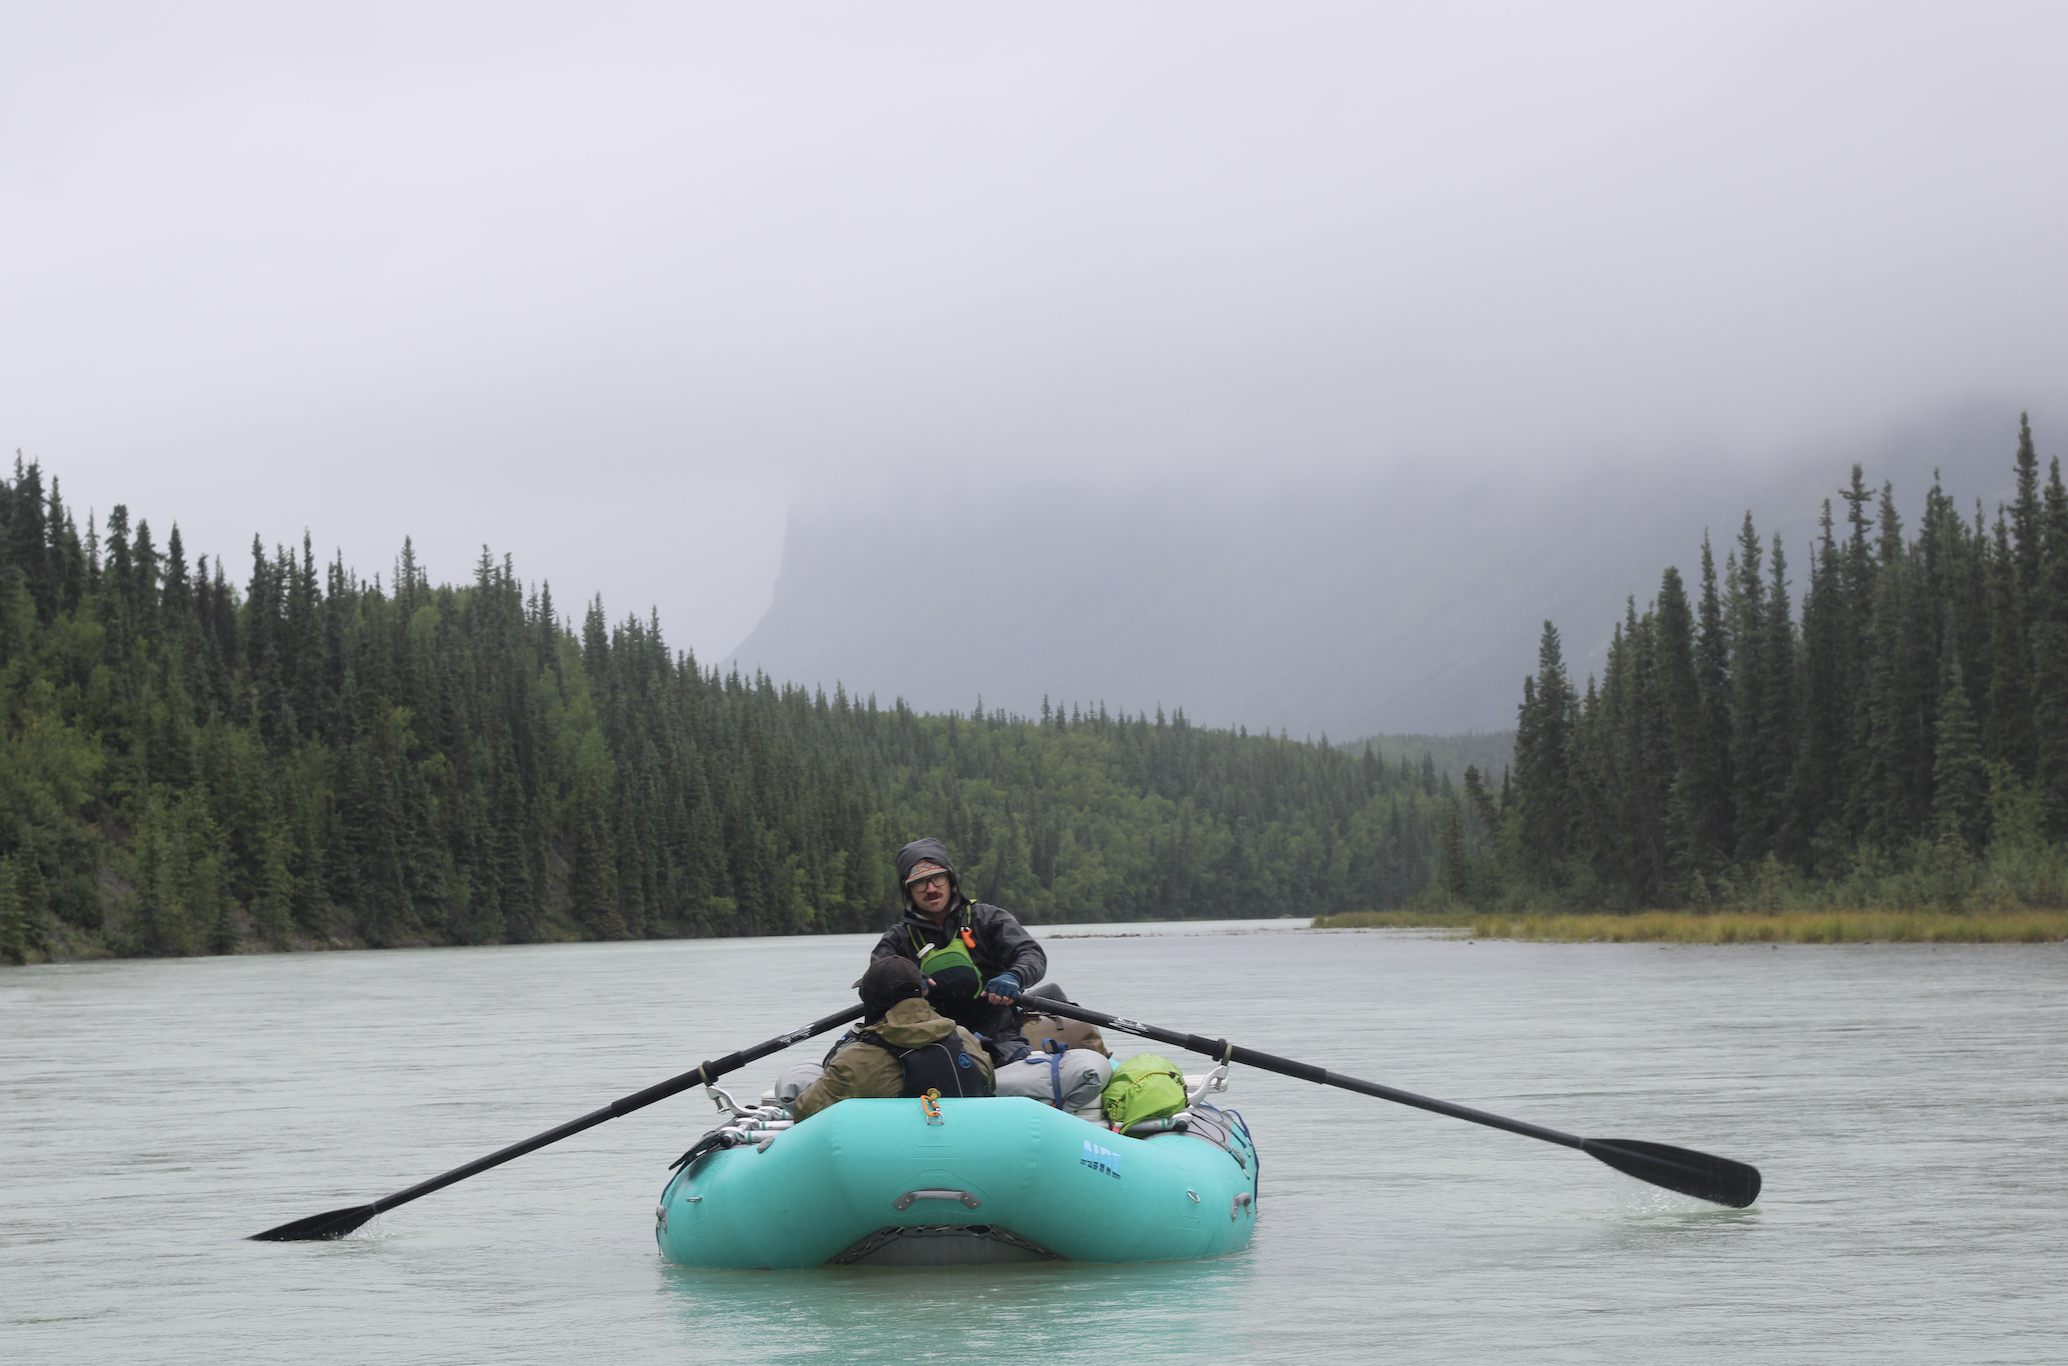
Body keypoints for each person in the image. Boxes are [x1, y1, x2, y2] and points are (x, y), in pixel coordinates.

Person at [870, 838, 1047, 1060]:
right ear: (908, 890)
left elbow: (1032, 955)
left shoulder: (989, 919)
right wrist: (903, 984)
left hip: (1001, 1041)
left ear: (950, 879)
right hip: (929, 1046)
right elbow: (875, 980)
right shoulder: (897, 938)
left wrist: (1015, 976)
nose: (931, 889)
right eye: (920, 882)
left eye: (937, 878)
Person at [792, 957, 993, 1121]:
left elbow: (805, 1112)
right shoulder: (963, 1036)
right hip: (967, 1144)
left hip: (894, 1159)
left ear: (869, 998)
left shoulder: (856, 1060)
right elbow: (988, 1085)